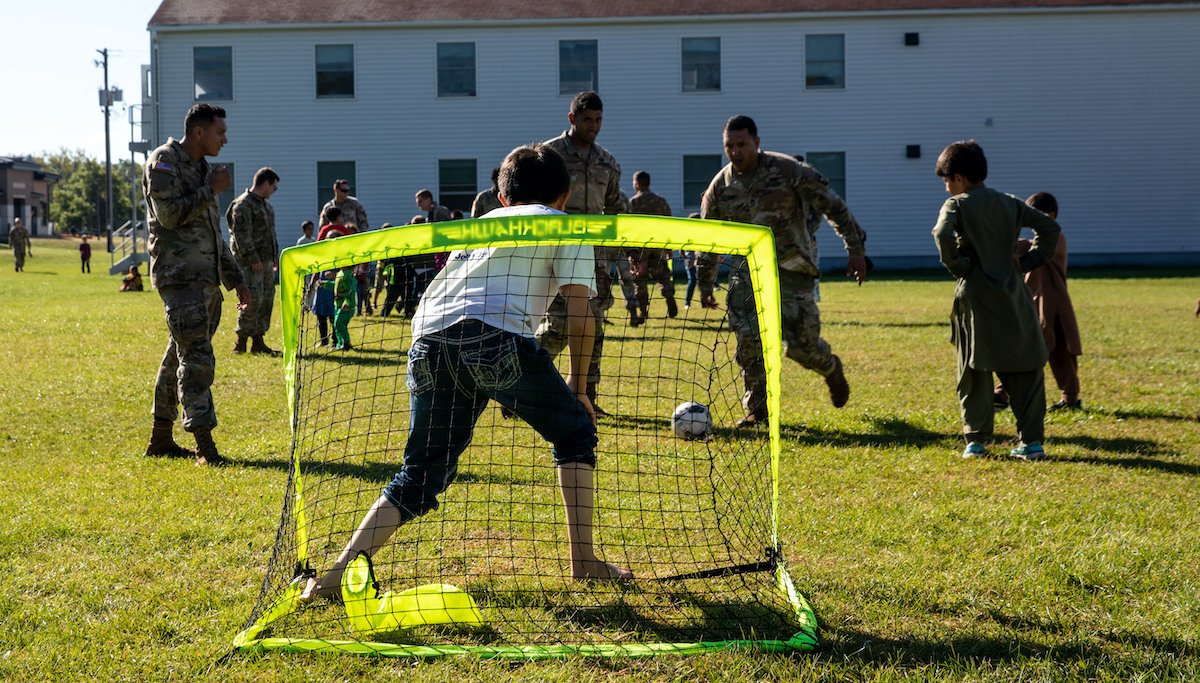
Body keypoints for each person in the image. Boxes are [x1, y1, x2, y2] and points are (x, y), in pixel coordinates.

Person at [300, 144, 632, 602]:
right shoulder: (565, 224)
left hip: (428, 339)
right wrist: (578, 387)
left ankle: (337, 574)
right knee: (575, 434)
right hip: (494, 338)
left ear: (501, 198)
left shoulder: (476, 228)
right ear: (566, 195)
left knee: (419, 474)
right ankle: (585, 562)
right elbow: (580, 312)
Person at [701, 115, 868, 427]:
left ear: (757, 143)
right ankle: (757, 410)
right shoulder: (720, 186)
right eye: (729, 146)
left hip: (792, 270)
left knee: (803, 348)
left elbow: (833, 206)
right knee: (750, 345)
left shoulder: (789, 170)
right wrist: (705, 281)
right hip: (746, 275)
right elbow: (709, 237)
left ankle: (830, 367)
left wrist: (855, 249)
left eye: (742, 145)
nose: (735, 152)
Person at [931, 140, 1061, 460]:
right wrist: (1029, 261)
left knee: (973, 368)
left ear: (959, 178)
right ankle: (1032, 442)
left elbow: (942, 234)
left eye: (947, 181)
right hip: (1014, 295)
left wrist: (960, 266)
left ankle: (976, 441)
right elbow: (1048, 227)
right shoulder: (1010, 203)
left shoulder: (957, 204)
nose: (947, 188)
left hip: (975, 297)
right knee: (1025, 366)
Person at [142, 102, 252, 467]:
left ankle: (160, 438)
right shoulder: (165, 161)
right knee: (197, 359)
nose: (226, 139)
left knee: (179, 356)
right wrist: (210, 189)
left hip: (206, 280)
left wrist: (236, 280)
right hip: (181, 279)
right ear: (199, 131)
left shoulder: (204, 169)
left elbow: (213, 233)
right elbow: (169, 216)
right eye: (220, 132)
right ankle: (204, 446)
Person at [539, 90, 623, 415]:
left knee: (595, 326)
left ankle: (586, 396)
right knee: (558, 326)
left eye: (599, 120)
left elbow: (615, 208)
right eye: (588, 120)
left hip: (594, 259)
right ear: (572, 118)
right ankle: (523, 386)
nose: (594, 126)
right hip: (553, 254)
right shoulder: (549, 156)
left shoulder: (607, 162)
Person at [995, 192, 1083, 412]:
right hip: (1037, 302)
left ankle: (1069, 397)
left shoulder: (1056, 237)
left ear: (1050, 215)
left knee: (1055, 351)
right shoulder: (1041, 239)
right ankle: (1004, 392)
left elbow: (1029, 249)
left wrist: (1006, 243)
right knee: (1032, 348)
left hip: (1053, 304)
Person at [227, 167, 281, 355]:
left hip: (266, 262)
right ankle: (240, 341)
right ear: (265, 183)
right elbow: (242, 235)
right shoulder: (243, 205)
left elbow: (270, 234)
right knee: (250, 299)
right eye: (274, 187)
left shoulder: (266, 206)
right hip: (250, 264)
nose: (274, 191)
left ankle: (258, 341)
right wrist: (252, 259)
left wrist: (275, 256)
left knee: (266, 299)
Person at [627, 171, 678, 322]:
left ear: (637, 183)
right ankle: (668, 295)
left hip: (640, 247)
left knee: (639, 280)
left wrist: (630, 250)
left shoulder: (632, 203)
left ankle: (643, 311)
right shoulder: (660, 201)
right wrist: (668, 246)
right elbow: (668, 223)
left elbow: (628, 227)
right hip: (658, 244)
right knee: (662, 275)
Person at [332, 265, 356, 350]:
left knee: (338, 323)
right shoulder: (340, 273)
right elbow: (337, 286)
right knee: (338, 324)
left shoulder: (349, 276)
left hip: (346, 306)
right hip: (338, 304)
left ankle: (346, 343)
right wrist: (325, 284)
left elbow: (351, 290)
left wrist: (347, 302)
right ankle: (341, 343)